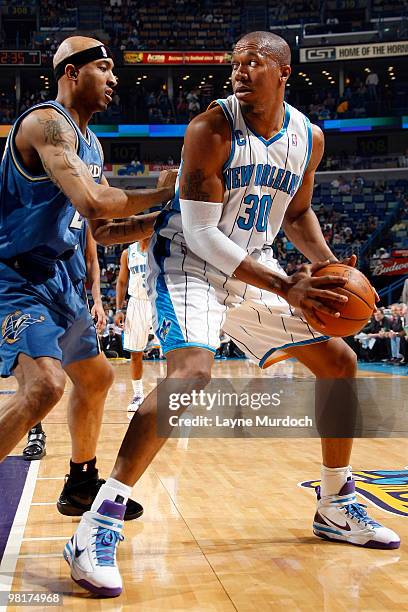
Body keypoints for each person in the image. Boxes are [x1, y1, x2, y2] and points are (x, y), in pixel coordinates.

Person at [66, 31, 399, 598]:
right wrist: (284, 286)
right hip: (190, 263)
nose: (239, 73)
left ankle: (335, 502)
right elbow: (199, 232)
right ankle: (98, 523)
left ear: (282, 72)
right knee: (193, 374)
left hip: (256, 264)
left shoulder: (307, 139)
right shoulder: (210, 129)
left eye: (252, 64)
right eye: (234, 64)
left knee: (341, 363)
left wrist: (331, 270)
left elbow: (297, 215)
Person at [0, 36, 176, 523]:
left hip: (59, 279)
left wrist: (164, 217)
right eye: (104, 67)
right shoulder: (45, 123)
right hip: (14, 275)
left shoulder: (92, 144)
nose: (114, 79)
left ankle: (81, 483)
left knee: (96, 376)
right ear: (71, 73)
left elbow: (101, 229)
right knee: (44, 387)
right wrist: (162, 190)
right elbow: (97, 203)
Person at [22, 222, 106, 461]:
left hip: (76, 294)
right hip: (39, 290)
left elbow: (92, 259)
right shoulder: (38, 192)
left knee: (93, 377)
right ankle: (35, 432)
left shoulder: (89, 194)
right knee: (38, 372)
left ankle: (83, 457)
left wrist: (97, 300)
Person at [115, 238, 151, 413]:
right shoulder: (128, 253)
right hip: (136, 303)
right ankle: (138, 394)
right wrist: (118, 309)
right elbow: (122, 282)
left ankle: (176, 395)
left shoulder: (161, 246)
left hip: (159, 301)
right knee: (136, 352)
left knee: (173, 351)